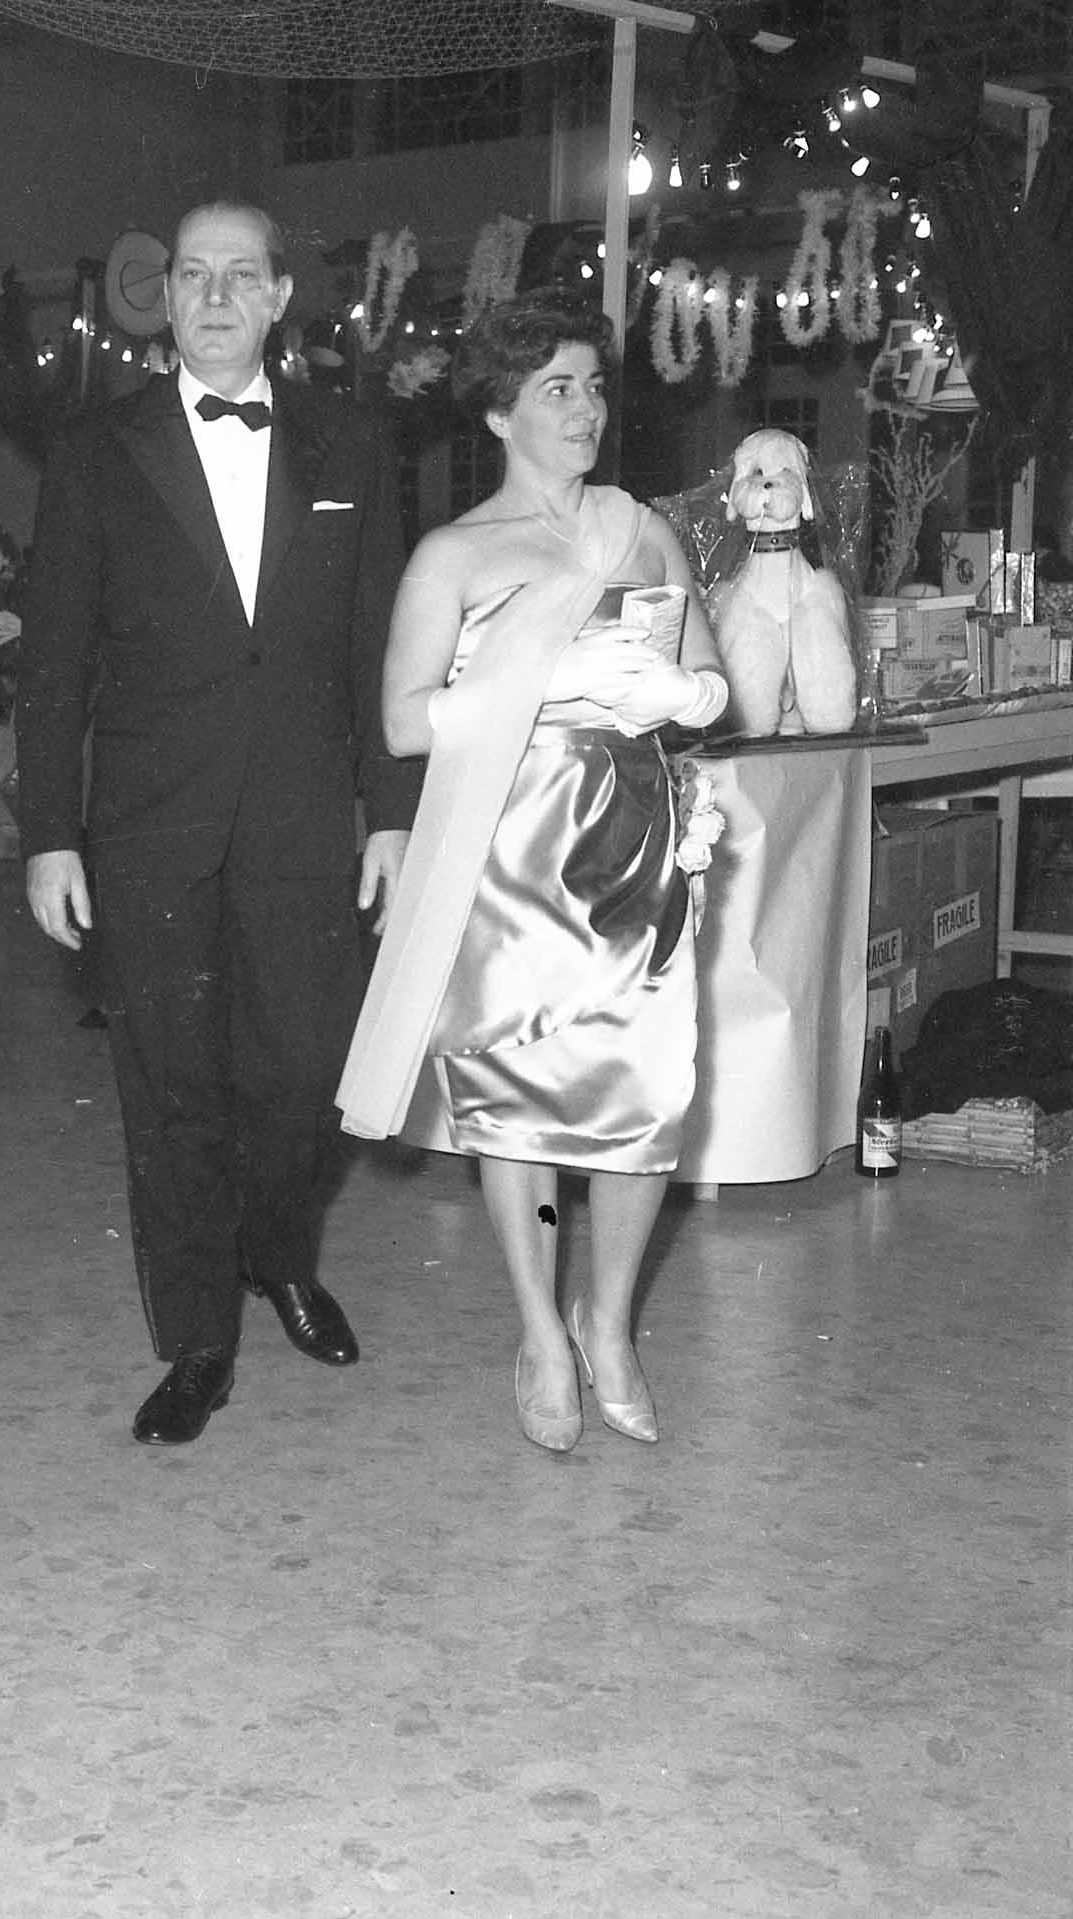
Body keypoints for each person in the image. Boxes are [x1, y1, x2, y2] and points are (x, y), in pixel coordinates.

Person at [18, 201, 421, 1445]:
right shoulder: (97, 449)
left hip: (302, 814)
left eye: (239, 276)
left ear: (280, 297)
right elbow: (53, 659)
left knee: (305, 1074)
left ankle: (279, 1252)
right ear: (165, 299)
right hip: (149, 824)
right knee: (171, 1088)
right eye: (192, 275)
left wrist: (391, 814)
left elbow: (379, 646)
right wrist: (48, 832)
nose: (213, 297)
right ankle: (198, 1340)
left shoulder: (351, 443)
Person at [337, 288, 729, 1452]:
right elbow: (402, 721)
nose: (584, 409)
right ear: (499, 413)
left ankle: (608, 1323)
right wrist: (547, 684)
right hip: (508, 845)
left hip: (632, 839)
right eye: (556, 389)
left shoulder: (642, 531)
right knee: (514, 1102)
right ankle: (539, 1334)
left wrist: (681, 692)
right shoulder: (454, 554)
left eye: (593, 386)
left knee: (644, 1093)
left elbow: (713, 686)